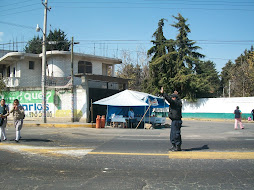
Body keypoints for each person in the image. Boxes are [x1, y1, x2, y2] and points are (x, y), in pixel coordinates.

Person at [161, 87, 182, 151]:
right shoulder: (176, 103)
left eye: (172, 97)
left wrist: (163, 94)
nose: (171, 98)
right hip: (174, 121)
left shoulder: (176, 103)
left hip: (176, 121)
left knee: (176, 134)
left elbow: (169, 100)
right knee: (173, 134)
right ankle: (174, 145)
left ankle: (177, 146)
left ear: (175, 98)